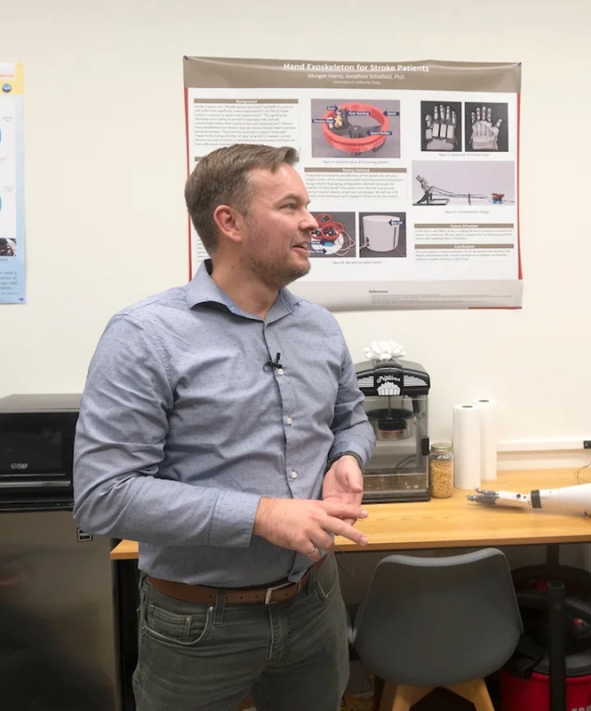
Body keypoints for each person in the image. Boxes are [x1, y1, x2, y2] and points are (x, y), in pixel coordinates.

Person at [72, 143, 376, 711]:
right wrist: (262, 516)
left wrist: (348, 459)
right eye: (290, 206)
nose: (312, 222)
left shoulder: (319, 327)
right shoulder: (145, 335)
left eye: (307, 205)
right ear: (229, 222)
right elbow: (102, 497)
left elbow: (350, 419)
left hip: (314, 602)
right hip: (196, 624)